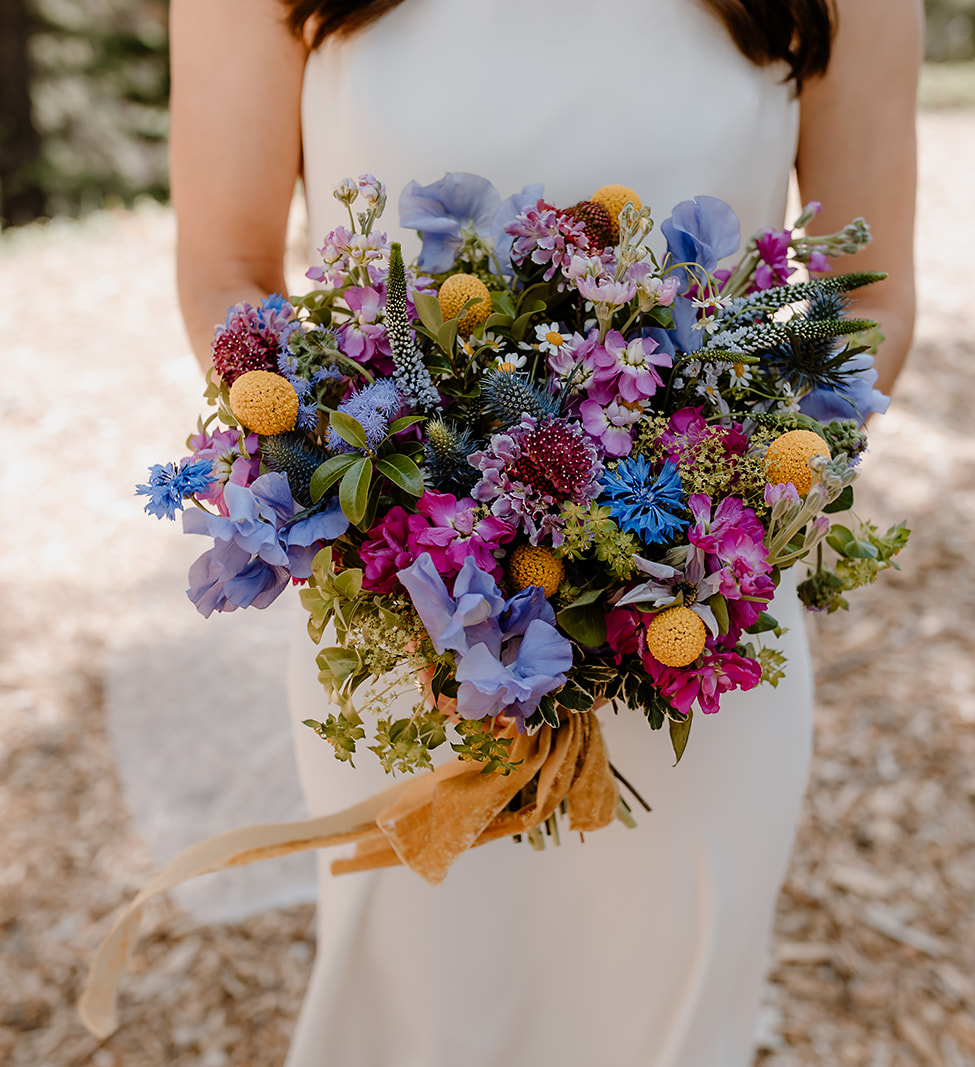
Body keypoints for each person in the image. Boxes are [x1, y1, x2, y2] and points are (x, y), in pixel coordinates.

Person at [168, 1, 919, 1063]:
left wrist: (709, 495)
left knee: (666, 1004)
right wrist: (408, 507)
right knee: (422, 1004)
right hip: (415, 616)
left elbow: (871, 308)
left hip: (696, 616)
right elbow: (226, 273)